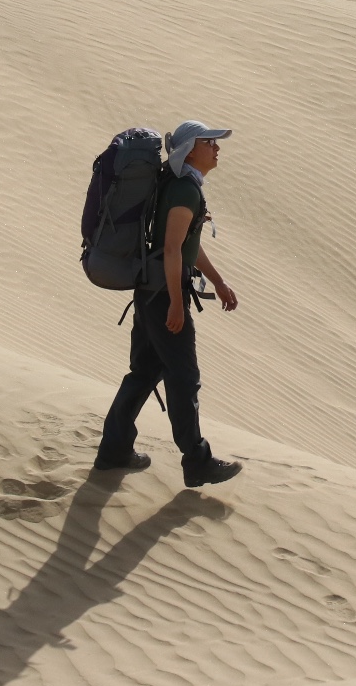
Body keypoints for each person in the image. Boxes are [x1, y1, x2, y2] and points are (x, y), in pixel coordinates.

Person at [93, 120, 244, 487]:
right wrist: (177, 304)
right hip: (164, 296)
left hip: (151, 291)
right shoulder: (184, 191)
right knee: (184, 379)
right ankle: (197, 460)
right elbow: (174, 249)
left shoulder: (180, 185)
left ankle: (114, 450)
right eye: (209, 142)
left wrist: (219, 281)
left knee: (145, 372)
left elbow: (187, 244)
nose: (216, 149)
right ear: (190, 150)